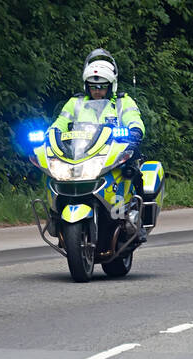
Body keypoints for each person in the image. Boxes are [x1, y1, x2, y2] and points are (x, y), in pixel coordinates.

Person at [50, 49, 150, 238]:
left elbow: (134, 118)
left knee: (133, 171)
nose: (97, 91)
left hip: (114, 151)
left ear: (111, 85)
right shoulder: (75, 103)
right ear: (86, 86)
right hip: (82, 153)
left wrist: (135, 131)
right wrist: (51, 133)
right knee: (53, 172)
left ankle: (139, 221)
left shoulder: (122, 102)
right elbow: (60, 123)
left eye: (102, 86)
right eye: (93, 86)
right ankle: (55, 214)